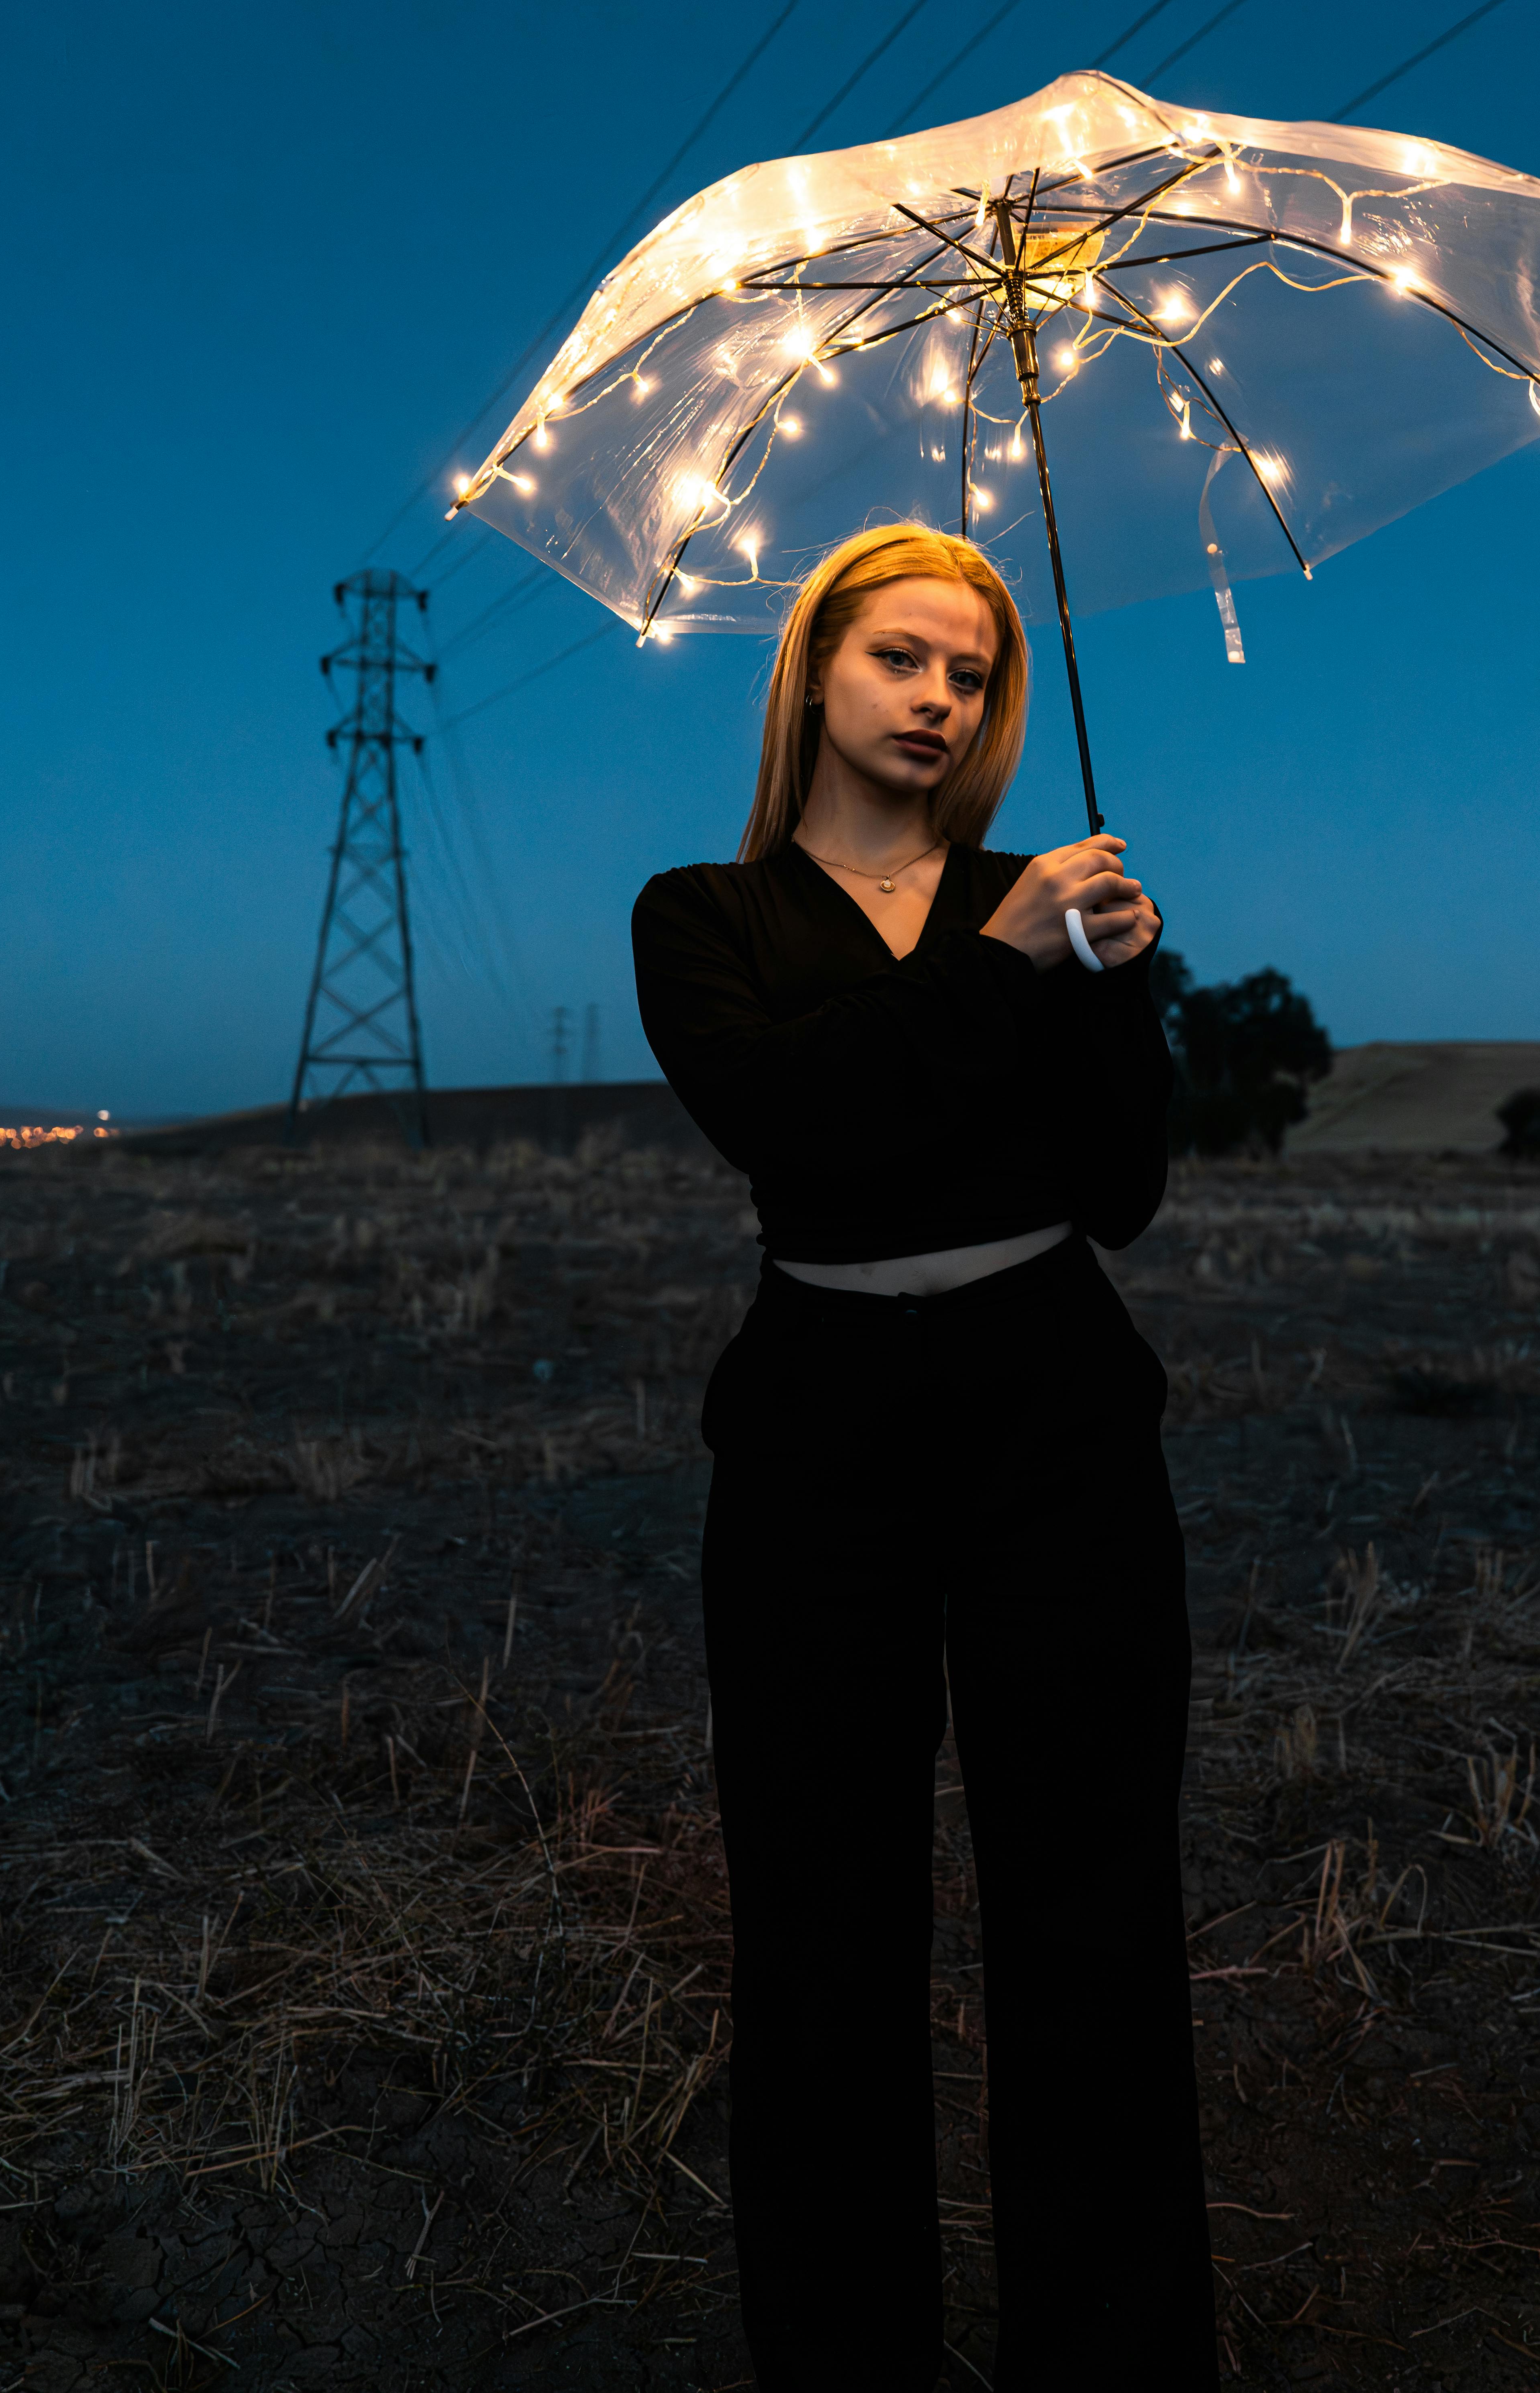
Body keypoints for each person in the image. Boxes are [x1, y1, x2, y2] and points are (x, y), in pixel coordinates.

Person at [631, 522, 1215, 2392]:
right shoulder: (700, 919)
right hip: (818, 1432)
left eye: (969, 676)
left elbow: (1117, 1198)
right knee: (821, 1922)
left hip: (1056, 1414)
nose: (939, 700)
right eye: (901, 659)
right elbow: (805, 1121)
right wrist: (999, 964)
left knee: (1093, 1906)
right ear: (813, 670)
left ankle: (1113, 2363)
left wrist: (1115, 986)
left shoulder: (1038, 908)